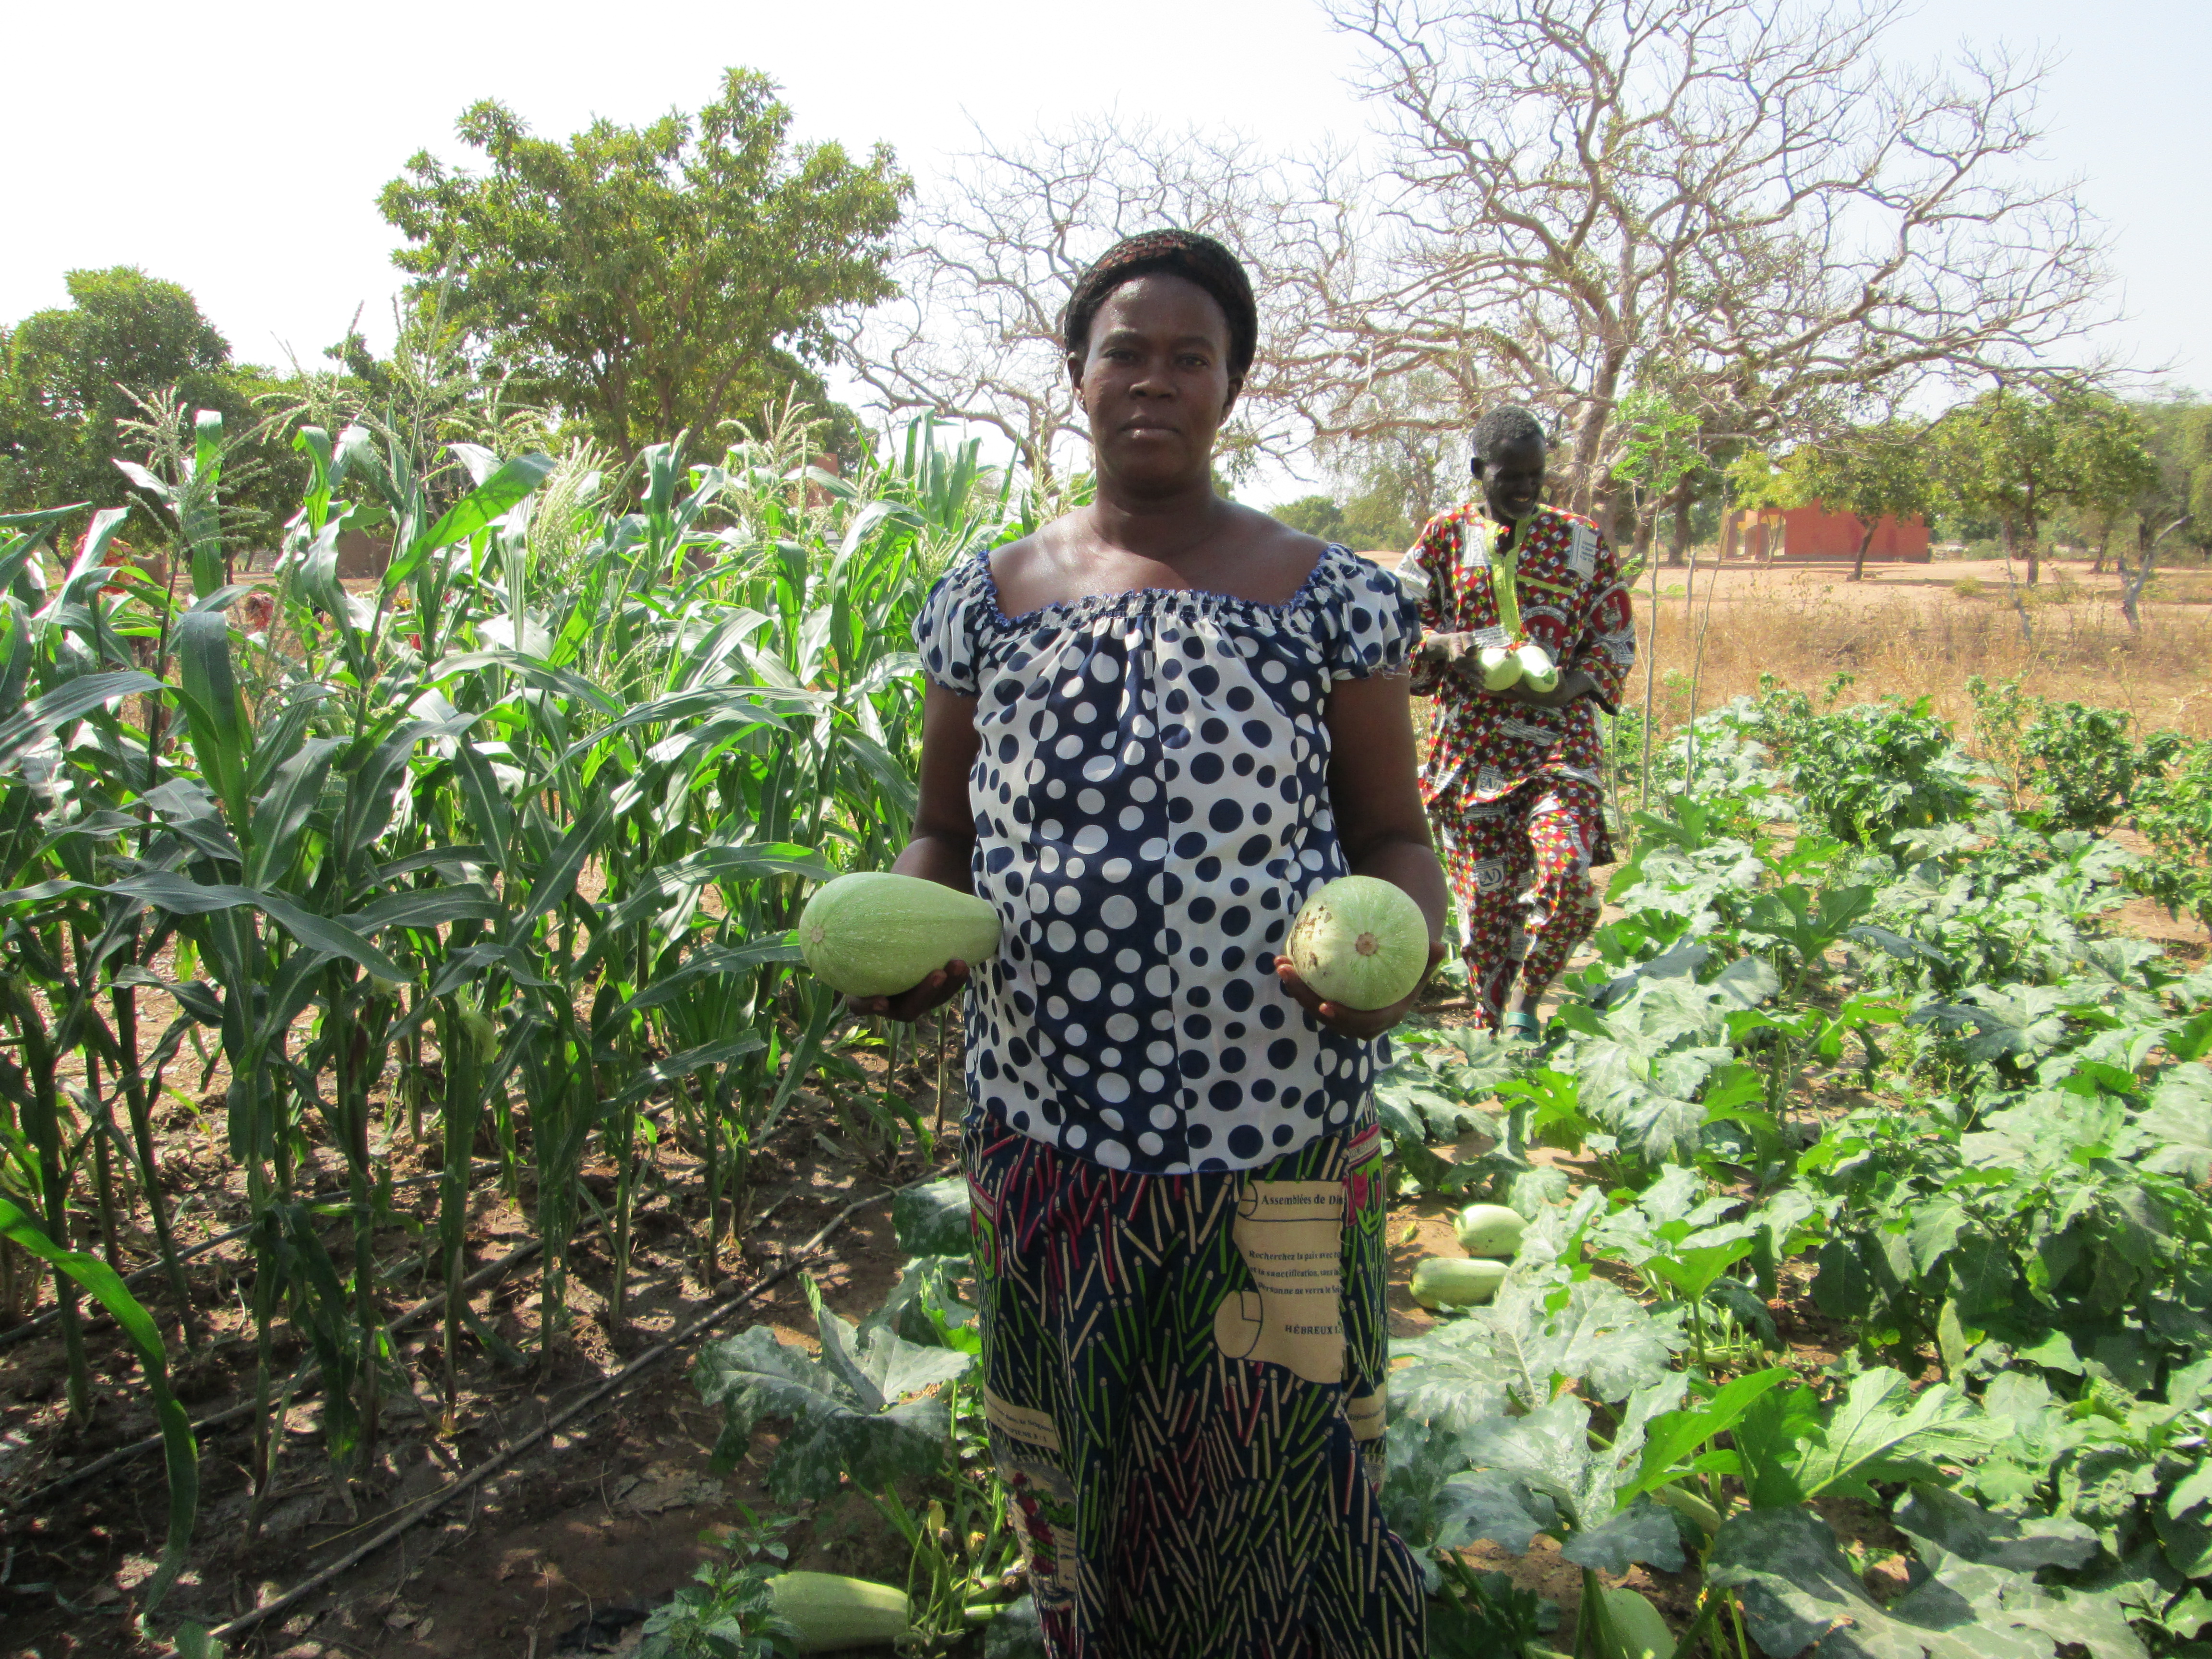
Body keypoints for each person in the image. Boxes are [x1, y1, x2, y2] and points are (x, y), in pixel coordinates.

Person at [848, 229, 1443, 1659]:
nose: (1155, 380)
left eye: (1193, 356)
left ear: (1235, 385)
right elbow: (944, 834)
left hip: (1278, 1138)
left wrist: (1393, 963)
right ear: (1077, 373)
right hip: (1049, 1133)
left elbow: (1395, 835)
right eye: (1127, 351)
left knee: (1285, 1471)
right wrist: (909, 948)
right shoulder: (987, 598)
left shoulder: (1328, 594)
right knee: (1090, 1466)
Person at [1402, 409, 1636, 1040]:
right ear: (1481, 472)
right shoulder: (1444, 538)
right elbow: (1394, 625)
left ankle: (1531, 997)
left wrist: (1572, 683)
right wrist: (1446, 648)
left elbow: (1613, 635)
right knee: (1486, 908)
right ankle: (1489, 1026)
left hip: (1559, 748)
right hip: (1469, 756)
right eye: (1512, 476)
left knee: (1567, 884)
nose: (1529, 489)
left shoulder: (1581, 540)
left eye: (1538, 475)